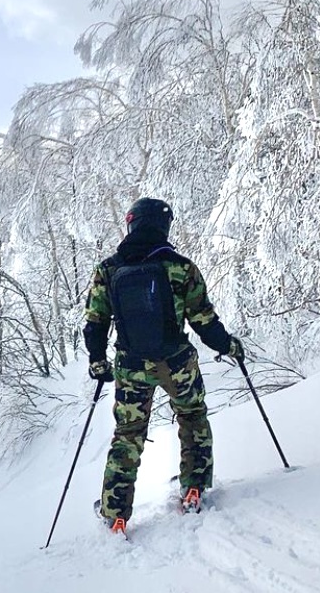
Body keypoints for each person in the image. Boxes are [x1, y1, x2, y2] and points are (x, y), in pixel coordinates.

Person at [82, 197, 243, 533]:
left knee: (128, 435)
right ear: (163, 225)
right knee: (192, 416)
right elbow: (204, 320)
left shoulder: (108, 270)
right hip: (177, 363)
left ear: (132, 223)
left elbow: (95, 322)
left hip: (131, 366)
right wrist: (228, 345)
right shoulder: (182, 268)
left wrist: (98, 362)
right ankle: (194, 489)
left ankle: (116, 514)